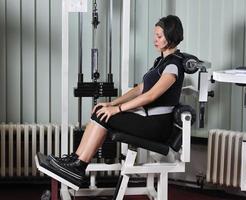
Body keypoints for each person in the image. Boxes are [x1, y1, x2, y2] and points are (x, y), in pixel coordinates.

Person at [45, 15, 185, 186]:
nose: (154, 40)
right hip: (148, 119)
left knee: (104, 116)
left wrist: (117, 110)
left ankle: (79, 167)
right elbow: (140, 88)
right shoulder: (161, 62)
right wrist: (112, 104)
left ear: (171, 36)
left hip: (157, 126)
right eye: (154, 35)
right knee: (100, 111)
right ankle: (75, 160)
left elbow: (150, 96)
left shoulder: (173, 65)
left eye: (159, 36)